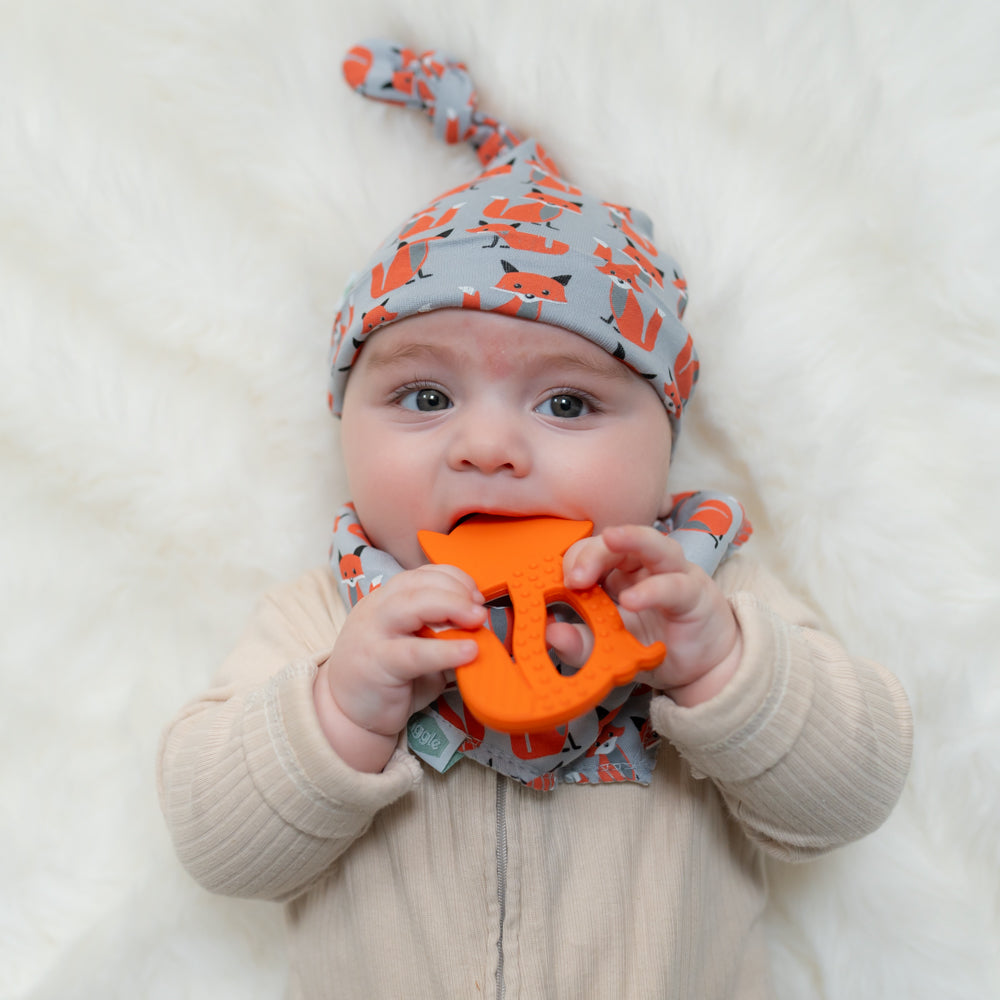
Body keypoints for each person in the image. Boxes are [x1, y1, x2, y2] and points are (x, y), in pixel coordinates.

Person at [157, 40, 912, 999]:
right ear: (342, 426)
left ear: (665, 448)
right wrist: (341, 711)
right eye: (426, 397)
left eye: (565, 405)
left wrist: (722, 667)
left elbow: (852, 798)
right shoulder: (328, 622)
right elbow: (216, 848)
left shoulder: (698, 596)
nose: (486, 447)